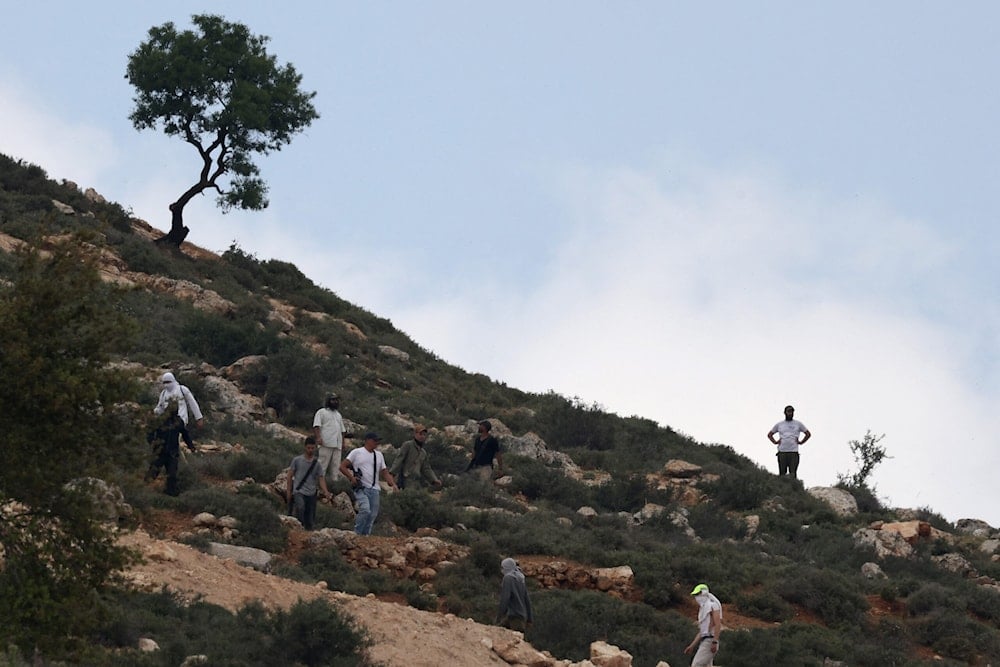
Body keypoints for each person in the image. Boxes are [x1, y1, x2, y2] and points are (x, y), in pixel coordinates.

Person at [339, 432, 398, 535]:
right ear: (367, 440)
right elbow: (343, 466)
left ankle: (365, 535)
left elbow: (384, 471)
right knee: (365, 509)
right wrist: (352, 478)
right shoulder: (356, 452)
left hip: (374, 489)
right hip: (361, 487)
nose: (377, 443)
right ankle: (357, 533)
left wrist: (392, 483)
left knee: (372, 515)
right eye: (374, 440)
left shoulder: (379, 455)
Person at [146, 401, 197, 496]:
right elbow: (151, 431)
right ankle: (143, 490)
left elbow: (185, 435)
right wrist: (152, 442)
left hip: (172, 453)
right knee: (152, 473)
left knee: (172, 476)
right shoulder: (161, 420)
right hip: (160, 452)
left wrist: (191, 446)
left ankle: (170, 495)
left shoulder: (179, 421)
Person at [285, 436, 331, 531]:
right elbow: (289, 476)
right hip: (299, 491)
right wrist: (289, 491)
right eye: (309, 448)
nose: (310, 450)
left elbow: (321, 478)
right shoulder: (297, 460)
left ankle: (307, 532)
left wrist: (326, 491)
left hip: (311, 493)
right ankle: (299, 528)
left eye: (312, 448)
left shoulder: (317, 464)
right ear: (305, 447)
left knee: (310, 517)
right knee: (300, 508)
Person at [390, 423, 442, 490]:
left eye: (424, 435)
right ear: (415, 434)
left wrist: (434, 480)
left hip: (416, 481)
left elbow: (426, 468)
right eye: (420, 434)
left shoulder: (423, 452)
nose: (422, 436)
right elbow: (399, 459)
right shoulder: (408, 445)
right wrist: (392, 474)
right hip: (405, 479)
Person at [767, 405, 811, 478]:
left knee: (793, 473)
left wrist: (801, 442)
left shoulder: (798, 424)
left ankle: (794, 488)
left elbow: (808, 434)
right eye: (788, 411)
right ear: (785, 413)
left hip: (793, 451)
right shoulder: (780, 424)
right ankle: (782, 488)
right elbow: (770, 434)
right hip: (782, 452)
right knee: (782, 474)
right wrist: (775, 442)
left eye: (792, 412)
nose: (790, 413)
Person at [684, 583, 722, 666]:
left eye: (698, 594)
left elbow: (718, 624)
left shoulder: (713, 606)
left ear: (704, 593)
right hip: (705, 641)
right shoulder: (703, 611)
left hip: (710, 641)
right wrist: (692, 646)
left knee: (696, 665)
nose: (696, 597)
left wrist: (715, 641)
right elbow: (702, 632)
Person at [313, 393, 349, 483]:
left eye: (336, 400)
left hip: (337, 444)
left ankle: (334, 484)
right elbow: (316, 425)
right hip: (326, 442)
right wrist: (318, 437)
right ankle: (318, 483)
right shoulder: (322, 412)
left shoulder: (338, 415)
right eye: (333, 400)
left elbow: (342, 430)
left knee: (336, 466)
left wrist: (343, 442)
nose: (335, 402)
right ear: (328, 401)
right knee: (322, 464)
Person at [496, 557, 533, 632]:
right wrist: (530, 619)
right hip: (519, 617)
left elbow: (505, 599)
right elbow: (527, 599)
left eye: (503, 567)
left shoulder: (508, 578)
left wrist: (499, 617)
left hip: (515, 618)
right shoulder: (520, 578)